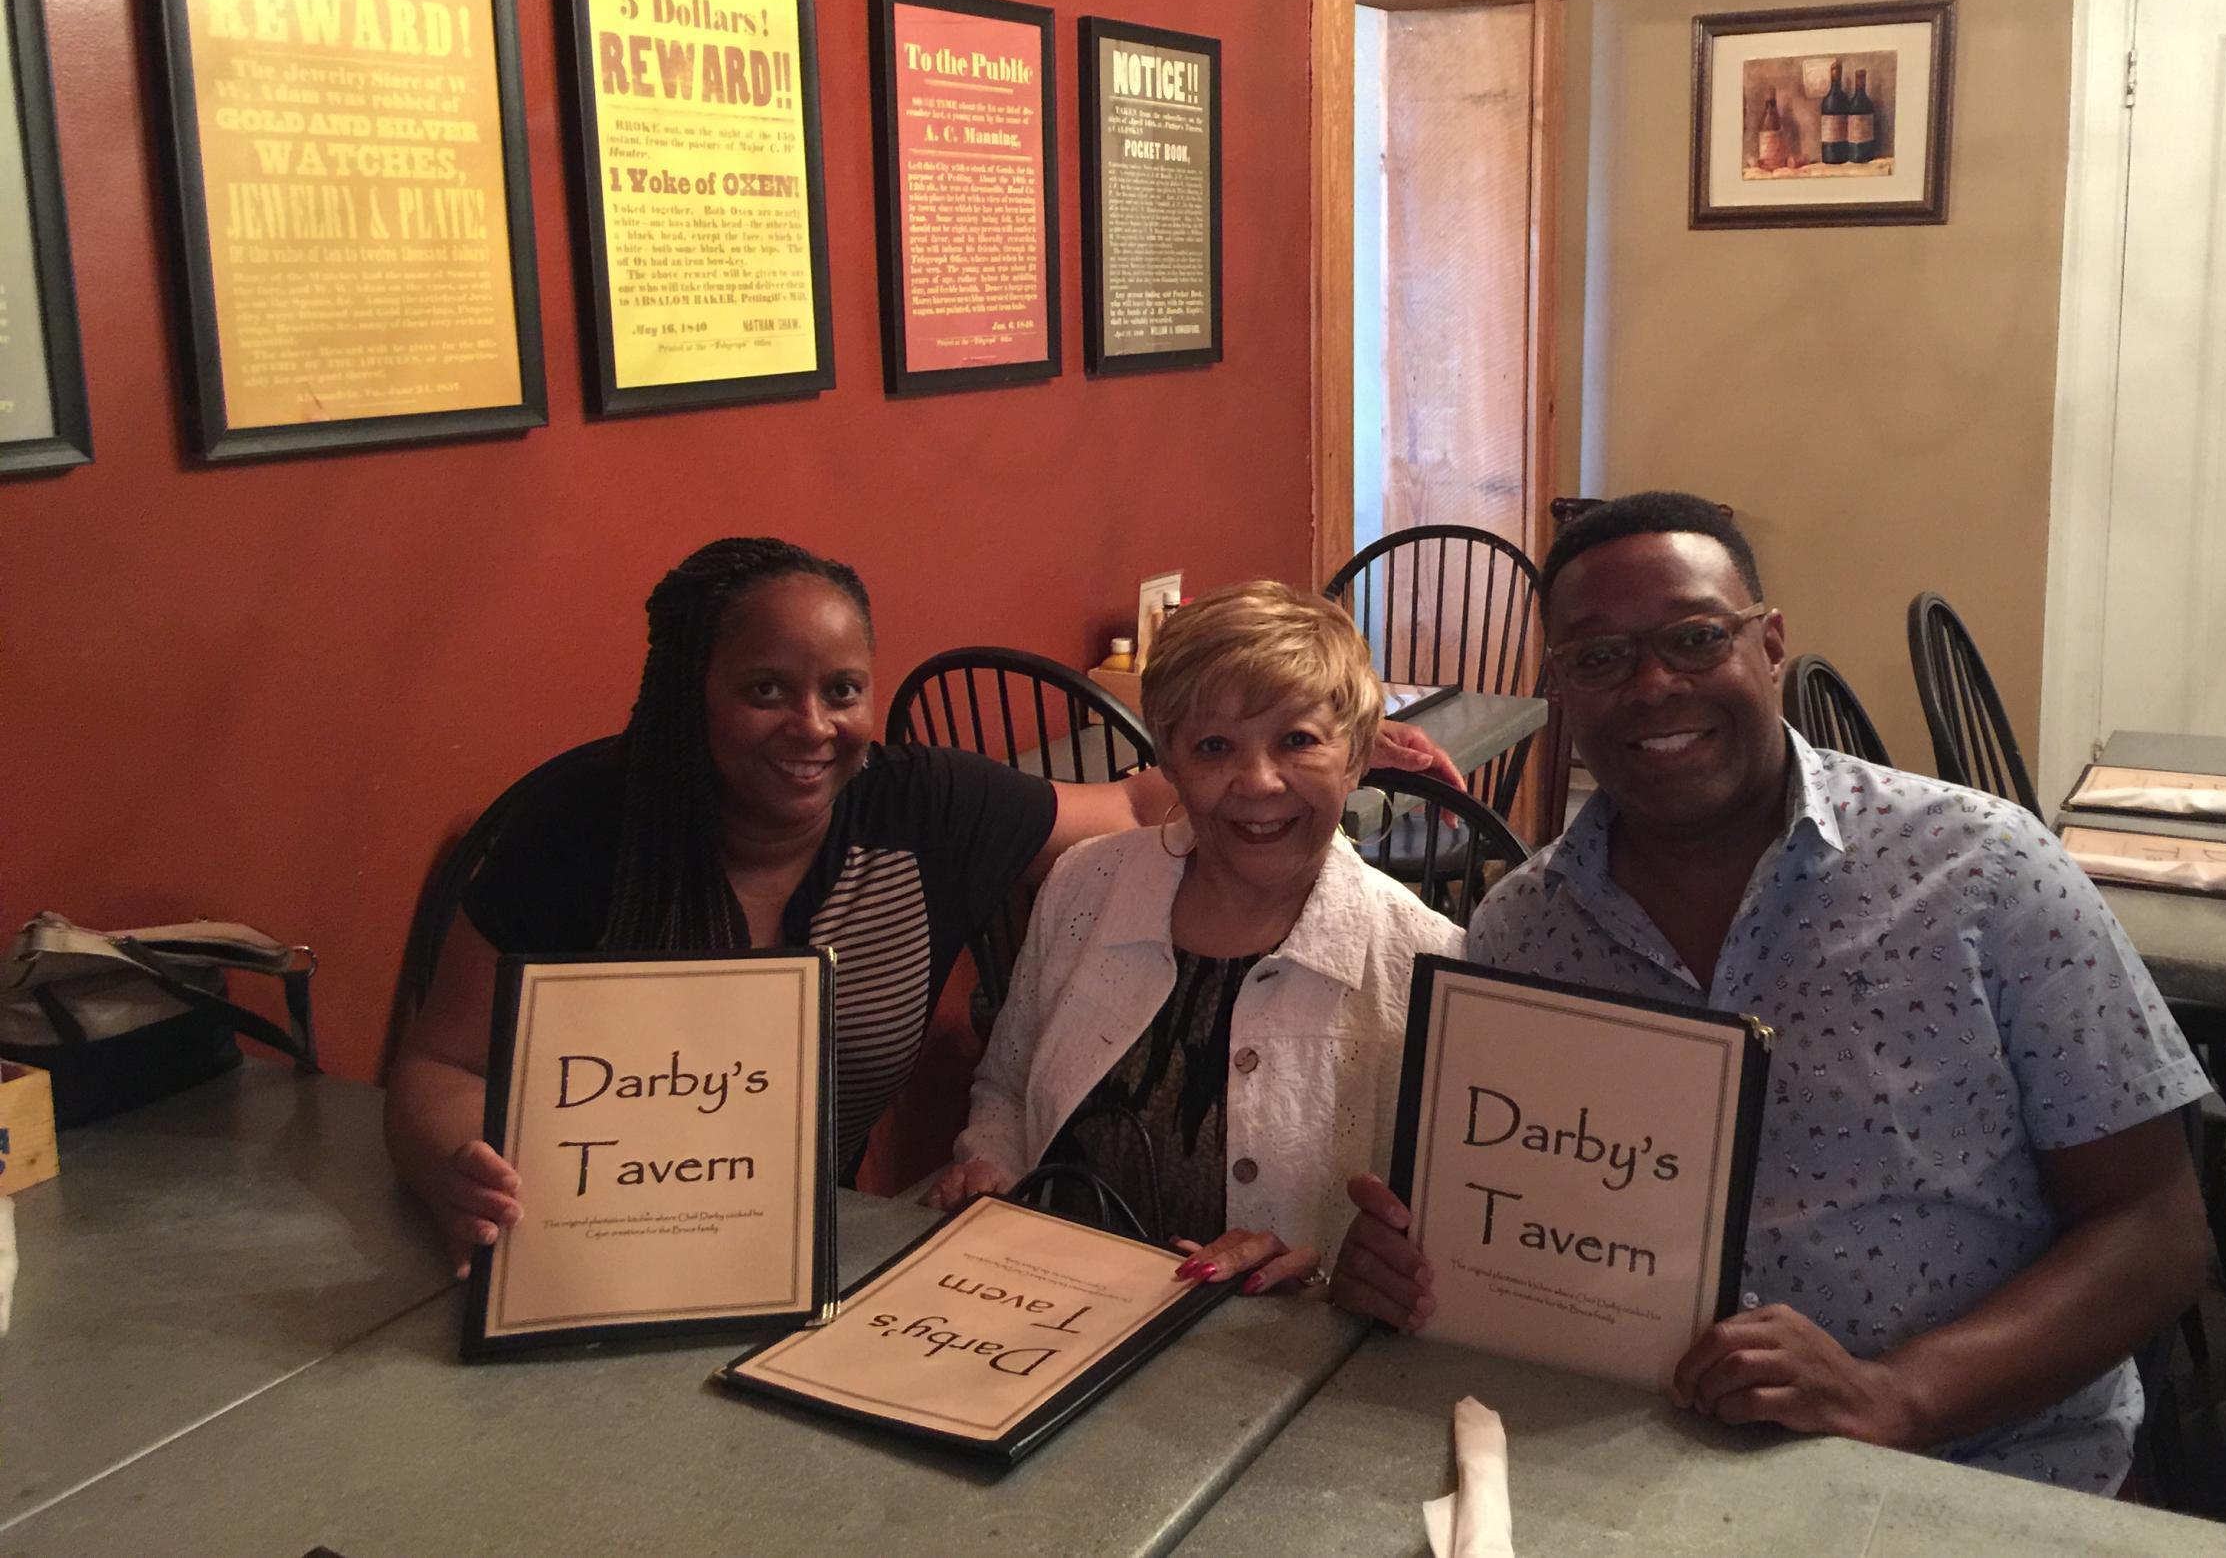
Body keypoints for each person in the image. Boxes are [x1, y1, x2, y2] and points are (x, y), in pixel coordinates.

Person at [1329, 494, 2210, 1494]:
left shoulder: (1982, 872)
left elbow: (2154, 1229)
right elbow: (1507, 1231)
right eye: (1599, 657)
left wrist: (1894, 1396)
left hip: (1971, 1471)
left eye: (1696, 638)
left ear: (1771, 642)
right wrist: (1413, 1270)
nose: (1653, 684)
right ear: (1562, 691)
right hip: (1622, 1463)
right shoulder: (1521, 934)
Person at [385, 538, 1461, 1268]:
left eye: (843, 690)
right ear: (686, 692)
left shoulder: (920, 810)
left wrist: (1347, 752)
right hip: (581, 1250)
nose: (813, 726)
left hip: (823, 1254)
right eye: (765, 689)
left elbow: (1150, 797)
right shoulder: (581, 825)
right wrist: (454, 1173)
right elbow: (438, 1068)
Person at [931, 582, 1459, 1292]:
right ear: (1170, 761)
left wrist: (1337, 1281)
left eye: (1297, 740)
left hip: (1272, 1368)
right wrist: (993, 1166)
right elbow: (1005, 1085)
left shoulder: (1428, 964)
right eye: (1214, 745)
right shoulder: (1086, 885)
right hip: (1046, 1316)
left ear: (1357, 754)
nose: (1258, 780)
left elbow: (1446, 1241)